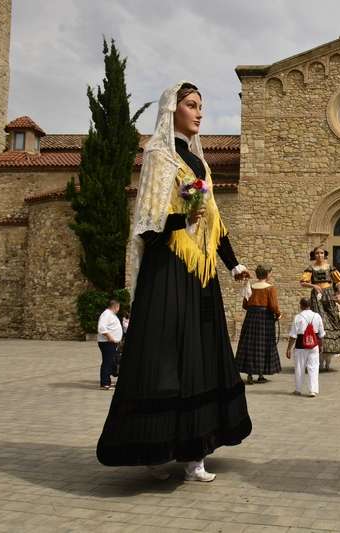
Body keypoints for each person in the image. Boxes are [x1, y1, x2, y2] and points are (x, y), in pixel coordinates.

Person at [96, 81, 252, 483]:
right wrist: (181, 220)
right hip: (168, 269)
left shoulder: (201, 164)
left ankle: (195, 451)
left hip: (201, 275)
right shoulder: (159, 156)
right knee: (164, 358)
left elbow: (215, 221)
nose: (199, 113)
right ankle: (154, 448)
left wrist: (233, 265)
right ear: (172, 110)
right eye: (191, 105)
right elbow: (147, 223)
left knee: (202, 357)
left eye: (200, 106)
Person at [300, 246, 340, 370]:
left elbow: (339, 282)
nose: (319, 255)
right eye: (317, 253)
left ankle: (328, 360)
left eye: (322, 253)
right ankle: (319, 359)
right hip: (317, 297)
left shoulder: (330, 267)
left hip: (329, 295)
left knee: (333, 322)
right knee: (319, 323)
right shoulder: (311, 269)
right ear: (314, 255)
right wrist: (313, 286)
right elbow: (303, 282)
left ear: (325, 254)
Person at [235, 264, 282, 385]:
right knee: (263, 344)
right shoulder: (270, 288)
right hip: (265, 318)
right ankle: (261, 374)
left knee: (250, 344)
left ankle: (250, 374)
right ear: (268, 274)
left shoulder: (251, 287)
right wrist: (278, 314)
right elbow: (273, 306)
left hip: (251, 317)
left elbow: (245, 305)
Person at [285, 297, 325, 397]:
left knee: (299, 368)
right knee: (313, 368)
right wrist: (321, 345)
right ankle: (313, 390)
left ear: (301, 305)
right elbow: (321, 334)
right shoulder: (317, 316)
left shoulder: (298, 317)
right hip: (314, 345)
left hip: (300, 346)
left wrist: (289, 348)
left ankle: (298, 389)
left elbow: (293, 335)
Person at [97, 299, 122, 390]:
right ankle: (104, 383)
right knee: (107, 362)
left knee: (110, 361)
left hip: (111, 342)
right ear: (116, 307)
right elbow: (101, 327)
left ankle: (107, 380)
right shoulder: (106, 314)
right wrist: (109, 337)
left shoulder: (112, 315)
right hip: (107, 342)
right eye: (118, 307)